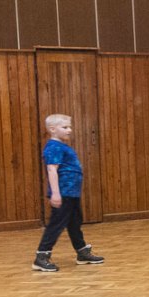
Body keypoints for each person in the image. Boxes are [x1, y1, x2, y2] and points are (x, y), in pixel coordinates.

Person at [32, 113, 105, 273]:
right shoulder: (54, 147)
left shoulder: (63, 146)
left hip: (72, 194)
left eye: (69, 127)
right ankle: (41, 256)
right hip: (63, 193)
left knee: (74, 223)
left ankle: (82, 252)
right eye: (65, 127)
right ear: (52, 129)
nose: (69, 130)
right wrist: (56, 193)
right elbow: (52, 169)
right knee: (56, 225)